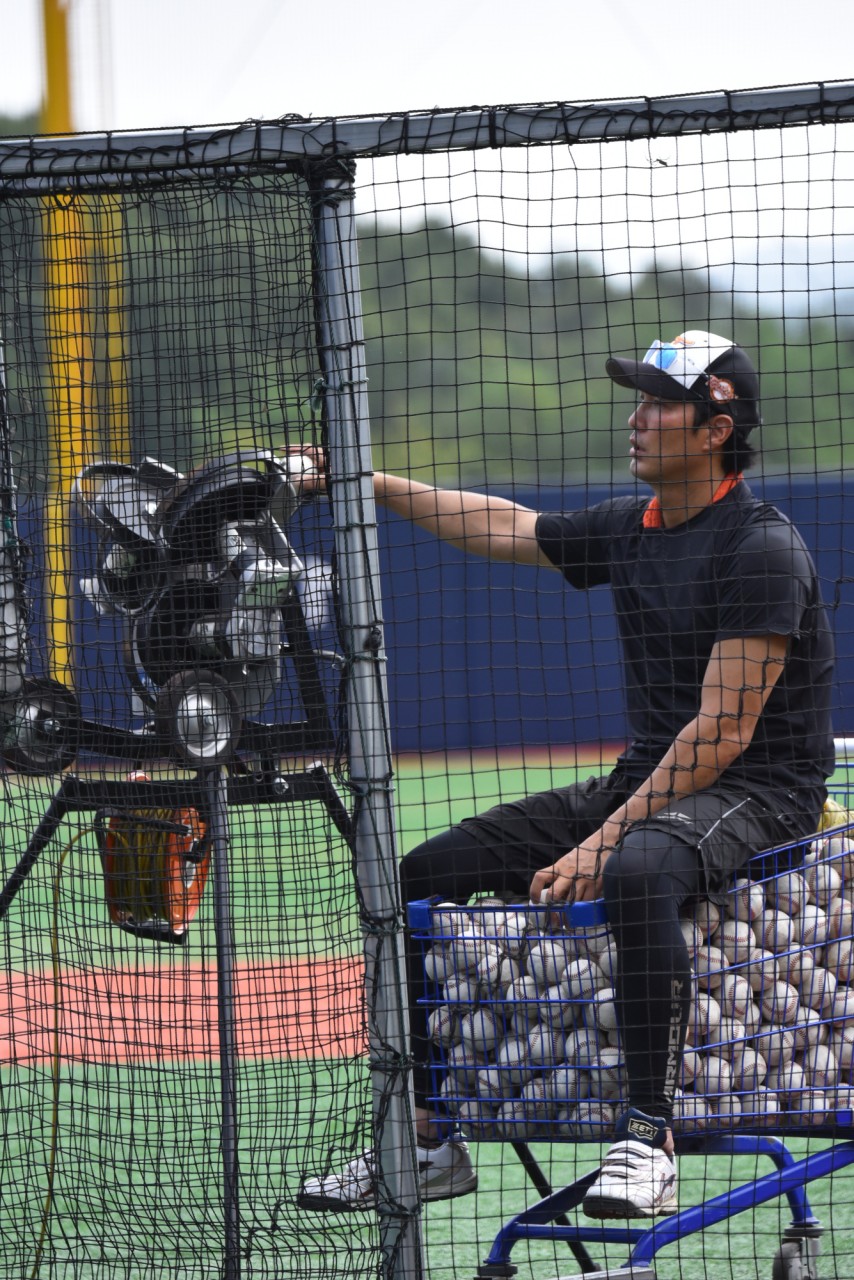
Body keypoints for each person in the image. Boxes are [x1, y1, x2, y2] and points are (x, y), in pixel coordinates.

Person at [298, 330, 835, 1218]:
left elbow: (723, 731)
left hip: (762, 788)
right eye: (640, 399)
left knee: (637, 870)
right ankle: (428, 1139)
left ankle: (648, 1138)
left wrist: (601, 841)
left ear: (716, 430)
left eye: (659, 404)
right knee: (417, 875)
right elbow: (504, 525)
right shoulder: (633, 528)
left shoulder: (761, 548)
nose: (637, 418)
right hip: (652, 777)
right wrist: (364, 481)